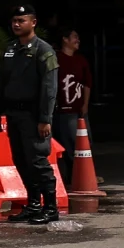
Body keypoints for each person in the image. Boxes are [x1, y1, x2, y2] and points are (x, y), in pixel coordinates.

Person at [0, 1, 60, 223]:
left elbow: (49, 88)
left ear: (33, 22)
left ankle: (51, 207)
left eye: (21, 20)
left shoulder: (44, 51)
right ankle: (33, 204)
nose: (16, 24)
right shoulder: (11, 49)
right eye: (14, 20)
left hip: (33, 116)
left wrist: (45, 119)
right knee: (21, 160)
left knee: (38, 161)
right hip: (14, 114)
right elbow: (2, 83)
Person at [55, 25, 91, 206]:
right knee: (68, 145)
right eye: (74, 37)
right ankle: (71, 178)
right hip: (63, 110)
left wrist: (85, 104)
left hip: (78, 110)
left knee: (84, 144)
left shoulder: (81, 60)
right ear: (65, 39)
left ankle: (84, 176)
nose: (77, 40)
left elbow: (87, 84)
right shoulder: (56, 59)